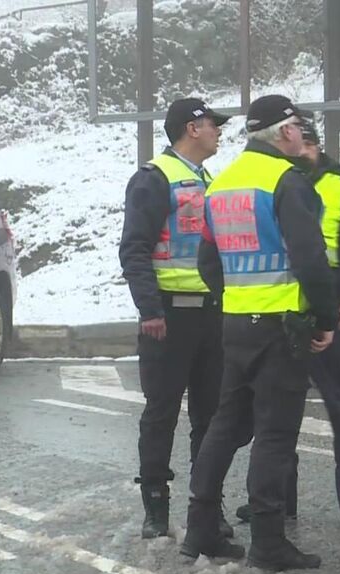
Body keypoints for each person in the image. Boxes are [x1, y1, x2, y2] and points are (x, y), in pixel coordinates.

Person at [180, 94, 339, 571]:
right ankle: (268, 542)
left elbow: (208, 262)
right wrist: (326, 319)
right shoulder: (286, 182)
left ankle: (200, 527)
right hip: (281, 326)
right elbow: (311, 259)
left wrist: (236, 297)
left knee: (225, 424)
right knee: (275, 432)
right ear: (286, 132)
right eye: (299, 128)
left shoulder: (223, 184)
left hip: (236, 324)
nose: (302, 135)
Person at [234, 114, 340, 531]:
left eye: (305, 146)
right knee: (275, 413)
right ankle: (275, 500)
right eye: (294, 145)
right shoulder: (275, 183)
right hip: (284, 307)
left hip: (330, 306)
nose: (298, 153)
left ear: (317, 147)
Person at [119, 98, 232, 540]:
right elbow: (134, 249)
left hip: (211, 315)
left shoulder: (209, 180)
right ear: (192, 128)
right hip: (168, 317)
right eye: (212, 124)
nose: (218, 131)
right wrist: (150, 309)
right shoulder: (154, 179)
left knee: (211, 418)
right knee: (161, 414)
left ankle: (207, 508)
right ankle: (156, 506)